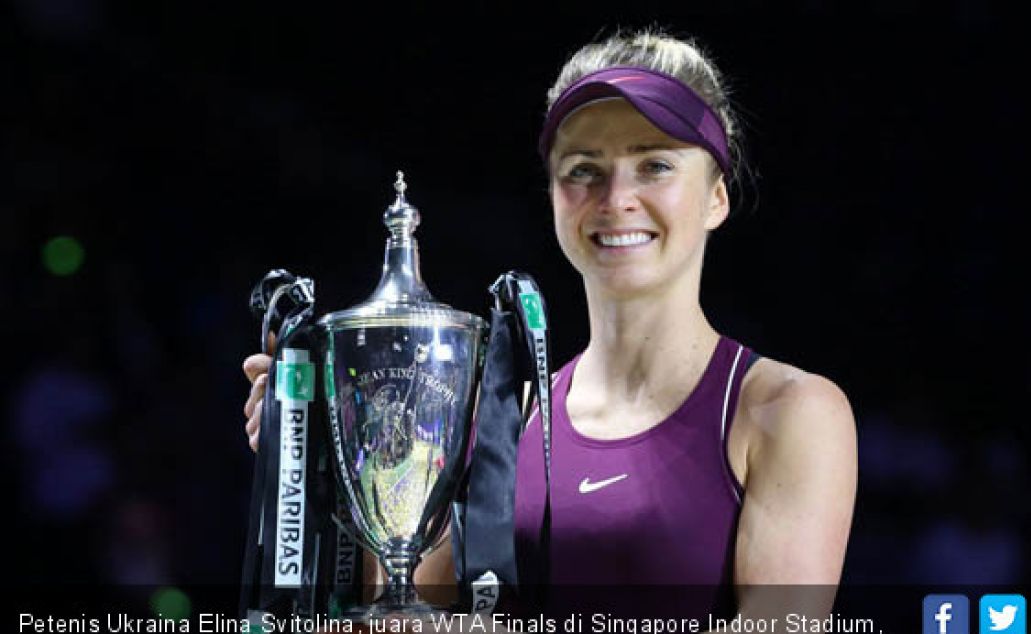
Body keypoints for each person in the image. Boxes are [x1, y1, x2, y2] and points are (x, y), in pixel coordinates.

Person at [242, 27, 857, 621]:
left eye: (655, 166)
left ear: (716, 196)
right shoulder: (505, 420)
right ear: (554, 196)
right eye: (584, 168)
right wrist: (323, 451)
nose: (616, 198)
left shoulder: (788, 411)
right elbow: (416, 616)